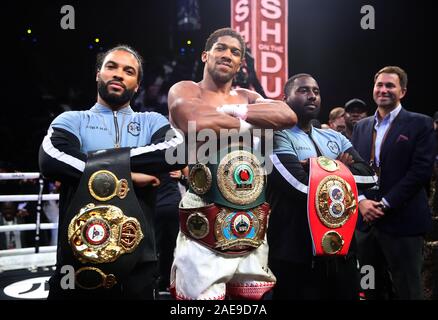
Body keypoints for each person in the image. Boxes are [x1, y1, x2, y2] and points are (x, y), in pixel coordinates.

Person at [39, 45, 185, 299]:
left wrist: (100, 166)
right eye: (111, 66)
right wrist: (128, 176)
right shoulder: (72, 119)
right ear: (98, 74)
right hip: (77, 259)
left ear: (137, 85)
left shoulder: (152, 121)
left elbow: (177, 152)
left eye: (129, 71)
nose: (119, 74)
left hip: (138, 260)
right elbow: (51, 160)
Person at [167, 27, 297, 300]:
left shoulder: (246, 97)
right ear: (205, 55)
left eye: (235, 52)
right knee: (201, 298)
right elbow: (196, 123)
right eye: (221, 48)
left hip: (251, 212)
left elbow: (287, 114)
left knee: (252, 299)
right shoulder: (186, 89)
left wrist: (234, 111)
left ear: (240, 63)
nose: (227, 55)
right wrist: (254, 120)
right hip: (204, 207)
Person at [266, 73, 377, 299]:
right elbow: (298, 186)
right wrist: (340, 167)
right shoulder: (276, 135)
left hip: (341, 251)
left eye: (316, 91)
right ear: (285, 98)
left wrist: (316, 167)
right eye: (303, 91)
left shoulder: (334, 137)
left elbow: (370, 177)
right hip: (294, 252)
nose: (312, 96)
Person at [351, 66, 435, 299]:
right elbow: (354, 169)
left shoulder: (421, 124)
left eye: (390, 85)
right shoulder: (361, 126)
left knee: (408, 291)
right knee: (370, 291)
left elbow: (420, 171)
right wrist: (361, 202)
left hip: (403, 223)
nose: (383, 90)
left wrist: (385, 203)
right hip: (366, 225)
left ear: (403, 91)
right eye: (380, 85)